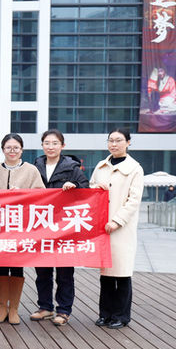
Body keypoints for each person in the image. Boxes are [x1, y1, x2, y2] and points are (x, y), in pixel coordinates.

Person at [30, 129, 89, 326]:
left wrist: (75, 186)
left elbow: (86, 191)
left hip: (64, 228)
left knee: (64, 272)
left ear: (62, 146)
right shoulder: (35, 167)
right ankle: (45, 307)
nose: (50, 147)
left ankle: (64, 310)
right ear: (42, 145)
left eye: (55, 143)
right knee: (42, 271)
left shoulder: (72, 168)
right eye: (47, 143)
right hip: (41, 225)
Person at [90, 128, 144, 329]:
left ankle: (121, 316)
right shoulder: (101, 166)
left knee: (121, 274)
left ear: (128, 142)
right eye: (111, 140)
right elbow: (91, 187)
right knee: (105, 274)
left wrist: (117, 220)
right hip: (102, 226)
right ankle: (105, 314)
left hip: (121, 229)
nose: (114, 144)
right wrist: (96, 188)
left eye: (118, 140)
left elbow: (134, 200)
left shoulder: (135, 169)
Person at [0, 133, 45, 325]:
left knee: (16, 266)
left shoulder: (31, 170)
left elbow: (41, 195)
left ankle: (13, 309)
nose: (12, 151)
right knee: (1, 266)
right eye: (8, 147)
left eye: (16, 148)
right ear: (2, 149)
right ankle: (2, 308)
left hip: (21, 226)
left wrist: (23, 193)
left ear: (22, 150)